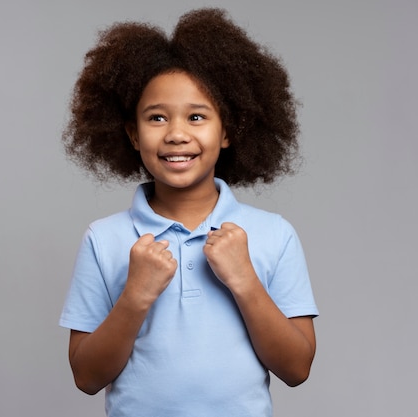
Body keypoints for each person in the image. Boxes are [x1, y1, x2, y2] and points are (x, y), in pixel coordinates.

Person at [59, 7, 318, 417]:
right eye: (157, 117)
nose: (177, 134)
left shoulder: (273, 234)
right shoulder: (104, 238)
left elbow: (297, 368)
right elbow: (87, 378)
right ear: (132, 133)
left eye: (197, 116)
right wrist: (136, 294)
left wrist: (245, 280)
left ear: (228, 131)